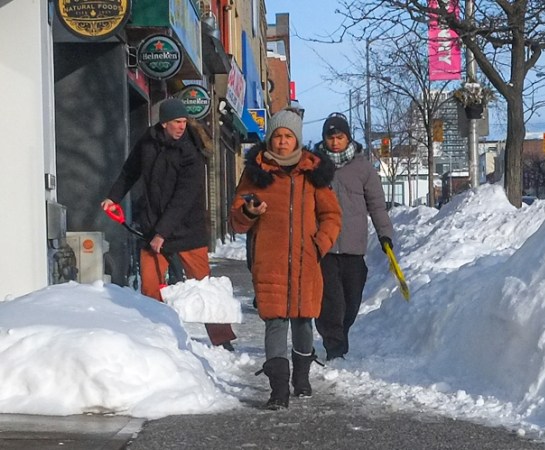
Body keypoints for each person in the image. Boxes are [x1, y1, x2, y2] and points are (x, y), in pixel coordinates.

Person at [101, 98, 236, 350]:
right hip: (152, 228)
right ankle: (155, 338)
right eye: (176, 122)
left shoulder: (191, 151)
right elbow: (130, 171)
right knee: (151, 289)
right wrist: (113, 197)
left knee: (204, 286)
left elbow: (184, 198)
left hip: (187, 230)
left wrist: (162, 232)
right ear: (163, 123)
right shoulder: (148, 142)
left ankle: (223, 340)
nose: (182, 126)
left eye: (184, 121)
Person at [229, 110, 342, 410]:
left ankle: (301, 377)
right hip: (270, 261)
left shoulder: (313, 173)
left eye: (287, 136)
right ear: (270, 138)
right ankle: (278, 389)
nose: (281, 142)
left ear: (297, 140)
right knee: (275, 322)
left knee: (304, 322)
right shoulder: (256, 172)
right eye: (277, 136)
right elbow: (236, 219)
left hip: (307, 261)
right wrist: (249, 212)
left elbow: (331, 216)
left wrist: (319, 245)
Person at [314, 112, 394, 361]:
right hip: (324, 246)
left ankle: (340, 334)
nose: (335, 142)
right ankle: (334, 345)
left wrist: (385, 235)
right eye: (331, 137)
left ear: (348, 138)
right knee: (331, 301)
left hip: (354, 245)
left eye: (340, 137)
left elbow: (377, 205)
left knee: (351, 301)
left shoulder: (362, 168)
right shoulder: (315, 166)